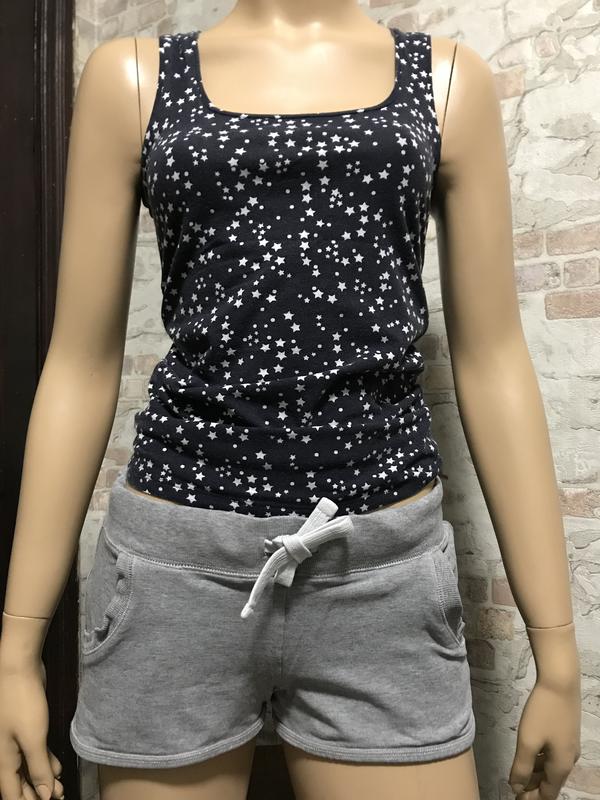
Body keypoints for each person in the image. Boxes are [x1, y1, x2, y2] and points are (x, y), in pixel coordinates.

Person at [0, 3, 581, 800]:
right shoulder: (133, 77)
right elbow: (78, 364)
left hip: (380, 571)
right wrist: (17, 647)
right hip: (177, 572)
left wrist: (557, 652)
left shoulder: (447, 79)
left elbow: (493, 359)